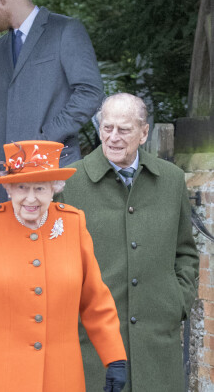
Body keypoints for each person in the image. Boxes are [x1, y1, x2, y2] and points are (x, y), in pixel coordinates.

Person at [0, 139, 128, 392]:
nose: (30, 198)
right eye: (21, 187)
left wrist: (115, 358)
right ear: (8, 188)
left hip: (61, 377)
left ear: (54, 189)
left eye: (40, 189)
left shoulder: (73, 223)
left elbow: (95, 301)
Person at [60, 93, 199, 391]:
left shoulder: (172, 179)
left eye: (124, 130)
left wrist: (178, 302)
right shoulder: (70, 184)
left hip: (158, 340)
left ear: (144, 132)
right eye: (107, 128)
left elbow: (185, 251)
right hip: (92, 345)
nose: (113, 137)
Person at [0, 0, 104, 200]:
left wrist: (45, 138)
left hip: (54, 172)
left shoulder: (65, 30)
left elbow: (90, 93)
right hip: (6, 178)